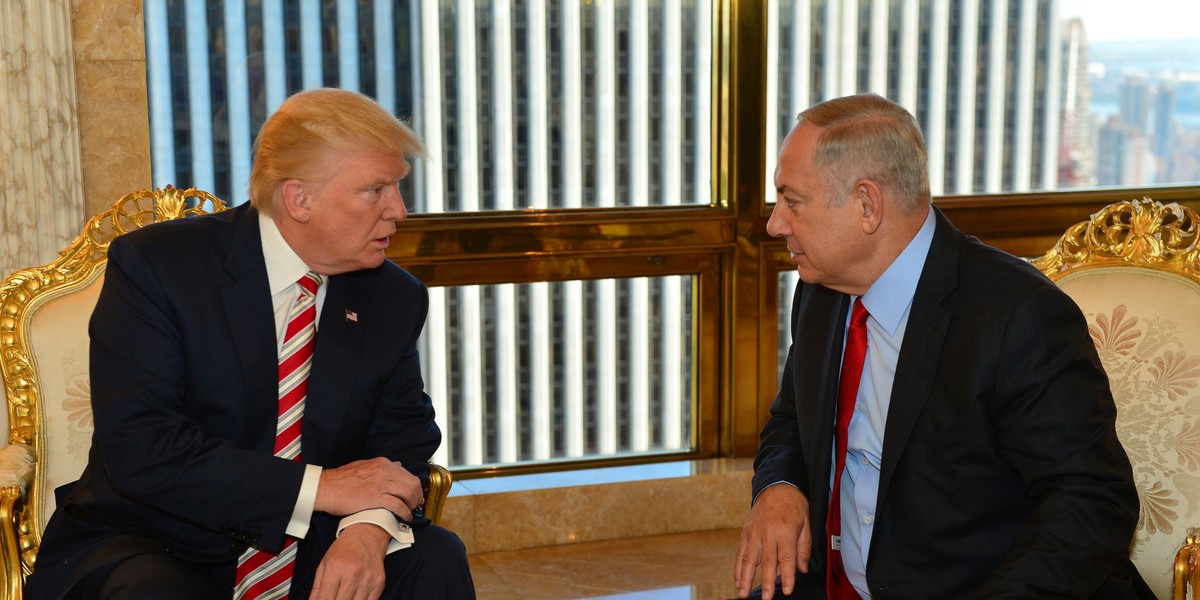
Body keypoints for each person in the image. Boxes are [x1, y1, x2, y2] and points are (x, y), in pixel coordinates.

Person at [28, 88, 474, 599]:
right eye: (376, 190)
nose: (399, 210)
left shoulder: (391, 296)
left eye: (397, 187)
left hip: (314, 543)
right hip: (159, 539)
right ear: (298, 198)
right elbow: (144, 447)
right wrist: (322, 488)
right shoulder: (161, 268)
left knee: (435, 557)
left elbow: (405, 439)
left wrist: (366, 530)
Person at [733, 93, 1150, 599]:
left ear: (867, 205)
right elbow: (791, 420)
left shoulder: (1019, 316)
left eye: (791, 201)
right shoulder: (821, 292)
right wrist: (780, 487)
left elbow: (1093, 500)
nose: (776, 223)